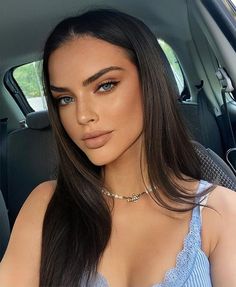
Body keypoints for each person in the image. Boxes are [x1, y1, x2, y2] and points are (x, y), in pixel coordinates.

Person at [0, 8, 236, 287]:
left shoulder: (219, 210)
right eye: (65, 99)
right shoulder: (46, 205)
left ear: (150, 82)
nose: (82, 116)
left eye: (105, 85)